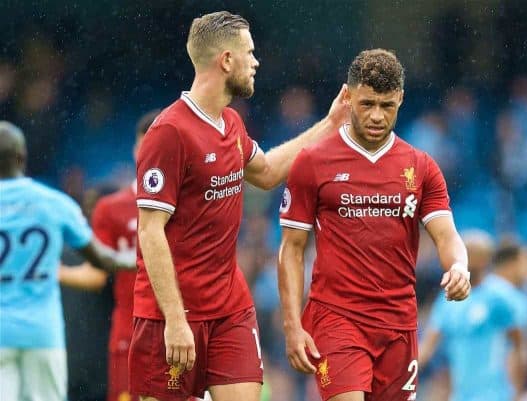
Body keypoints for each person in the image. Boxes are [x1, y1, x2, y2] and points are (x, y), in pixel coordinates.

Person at [131, 11, 348, 401]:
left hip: (230, 307)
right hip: (171, 315)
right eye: (249, 53)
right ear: (226, 60)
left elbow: (266, 172)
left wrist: (330, 124)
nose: (256, 62)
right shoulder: (169, 133)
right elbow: (150, 230)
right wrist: (176, 320)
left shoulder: (230, 124)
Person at [278, 49, 471, 401]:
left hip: (398, 325)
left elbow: (446, 234)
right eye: (367, 104)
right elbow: (291, 247)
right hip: (337, 319)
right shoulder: (312, 161)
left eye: (387, 105)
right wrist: (292, 325)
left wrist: (459, 266)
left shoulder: (422, 166)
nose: (377, 116)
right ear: (347, 96)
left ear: (400, 98)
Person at [0, 121, 135, 401]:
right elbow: (103, 258)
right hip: (42, 332)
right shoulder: (53, 203)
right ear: (23, 157)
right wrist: (139, 257)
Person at [58, 109, 160, 401]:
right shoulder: (112, 208)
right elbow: (95, 274)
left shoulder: (194, 204)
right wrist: (54, 270)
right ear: (135, 149)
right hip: (131, 334)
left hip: (186, 333)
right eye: (146, 145)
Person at [420, 241, 527, 401]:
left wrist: (518, 391)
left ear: (484, 260)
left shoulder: (501, 297)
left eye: (466, 255)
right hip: (461, 395)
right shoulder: (447, 299)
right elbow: (426, 349)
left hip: (497, 394)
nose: (460, 260)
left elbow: (519, 346)